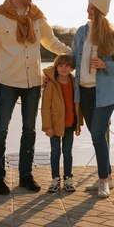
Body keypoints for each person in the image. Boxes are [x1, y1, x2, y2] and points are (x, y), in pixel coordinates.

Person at [0, 0, 71, 195]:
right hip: (8, 82)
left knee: (29, 130)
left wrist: (73, 54)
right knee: (1, 129)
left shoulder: (37, 17)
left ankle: (25, 176)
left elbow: (51, 41)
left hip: (33, 83)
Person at [71, 0, 114, 198]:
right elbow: (71, 58)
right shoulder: (80, 32)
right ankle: (109, 178)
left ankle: (103, 180)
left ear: (98, 10)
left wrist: (106, 64)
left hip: (105, 94)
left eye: (90, 7)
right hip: (84, 92)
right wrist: (52, 72)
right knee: (97, 135)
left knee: (97, 133)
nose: (87, 9)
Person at [41, 54, 82, 193]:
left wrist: (78, 125)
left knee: (67, 152)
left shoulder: (75, 83)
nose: (64, 68)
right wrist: (47, 126)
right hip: (54, 124)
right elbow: (45, 106)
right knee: (55, 152)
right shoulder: (51, 83)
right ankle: (55, 179)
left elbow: (77, 106)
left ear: (71, 68)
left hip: (70, 124)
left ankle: (68, 178)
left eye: (67, 66)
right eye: (61, 65)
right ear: (56, 67)